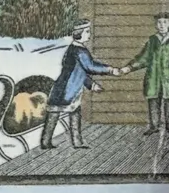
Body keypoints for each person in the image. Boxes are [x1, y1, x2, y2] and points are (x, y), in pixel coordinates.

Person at [41, 21, 118, 150]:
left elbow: (79, 72)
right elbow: (90, 67)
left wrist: (91, 85)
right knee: (64, 113)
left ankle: (54, 142)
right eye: (87, 32)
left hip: (63, 88)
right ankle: (69, 142)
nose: (89, 34)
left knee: (60, 113)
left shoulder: (73, 49)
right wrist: (110, 70)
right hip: (67, 90)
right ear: (79, 33)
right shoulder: (80, 50)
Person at [122, 13, 169, 135]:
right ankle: (154, 126)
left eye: (165, 22)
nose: (162, 25)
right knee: (153, 101)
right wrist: (129, 67)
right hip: (153, 76)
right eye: (159, 22)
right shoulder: (152, 40)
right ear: (156, 25)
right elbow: (143, 58)